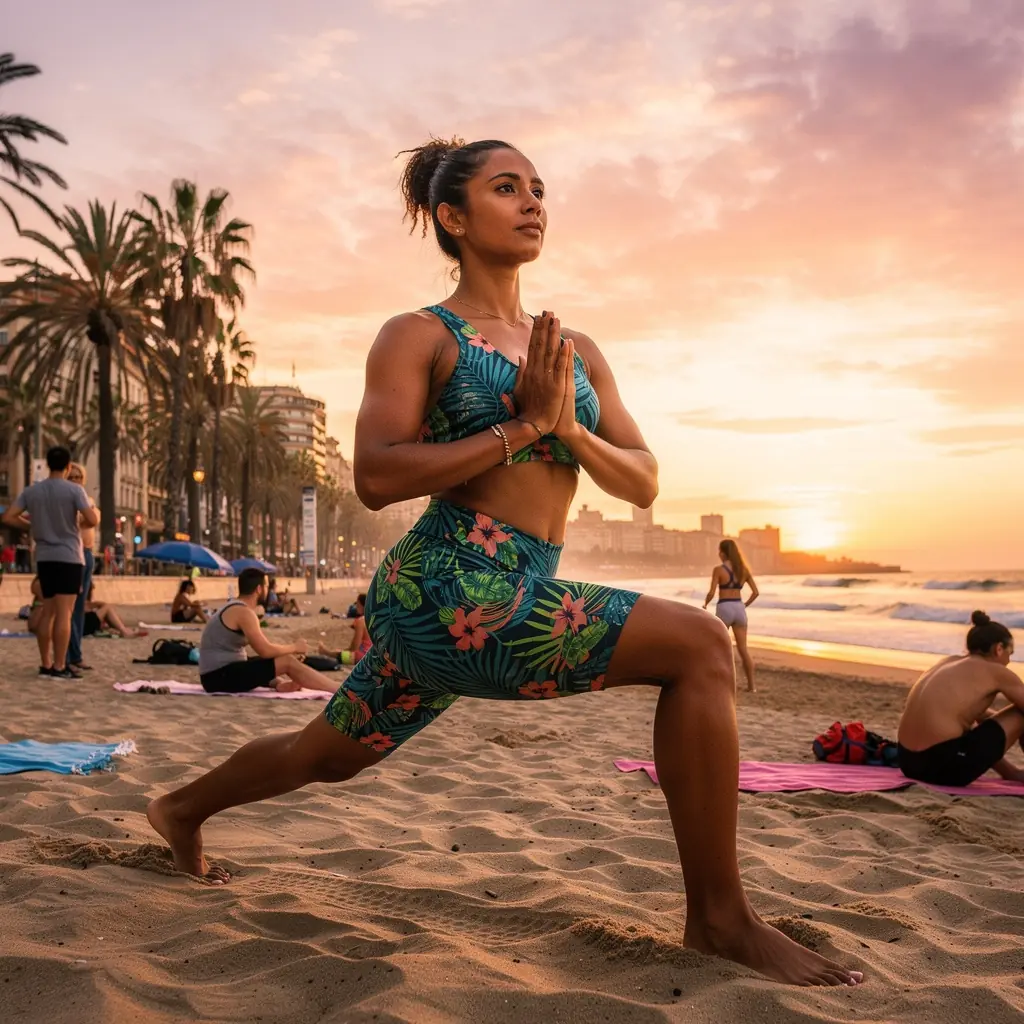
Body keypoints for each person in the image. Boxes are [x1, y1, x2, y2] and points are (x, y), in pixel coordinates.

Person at [145, 138, 862, 987]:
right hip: (445, 586)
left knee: (328, 754)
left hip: (517, 584)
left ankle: (178, 809)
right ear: (452, 217)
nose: (533, 203)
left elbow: (643, 480)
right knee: (701, 647)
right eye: (506, 188)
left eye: (539, 189)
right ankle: (719, 918)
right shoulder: (418, 335)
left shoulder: (576, 349)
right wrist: (520, 428)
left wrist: (567, 427)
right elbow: (375, 475)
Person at [2, 446, 98, 679]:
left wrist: (32, 526)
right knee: (64, 614)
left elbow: (8, 516)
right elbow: (93, 519)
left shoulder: (33, 491)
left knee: (48, 611)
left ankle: (45, 663)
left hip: (44, 557)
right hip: (69, 557)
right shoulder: (74, 491)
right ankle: (59, 665)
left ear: (47, 464)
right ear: (67, 467)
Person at [898, 611, 1024, 787]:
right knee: (1020, 713)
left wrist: (998, 719)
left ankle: (1011, 773)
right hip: (943, 768)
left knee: (968, 723)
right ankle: (1012, 773)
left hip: (907, 762)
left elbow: (968, 714)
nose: (1009, 661)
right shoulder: (997, 671)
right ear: (999, 649)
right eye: (1010, 653)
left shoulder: (946, 663)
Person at [196, 567, 337, 695]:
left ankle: (279, 684)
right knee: (287, 661)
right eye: (266, 586)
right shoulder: (243, 612)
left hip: (219, 674)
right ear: (258, 589)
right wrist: (294, 647)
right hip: (218, 677)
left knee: (273, 660)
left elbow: (264, 654)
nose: (267, 590)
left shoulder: (236, 607)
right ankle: (339, 689)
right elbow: (265, 650)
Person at [703, 539, 760, 692]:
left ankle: (717, 682)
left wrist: (705, 604)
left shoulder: (719, 570)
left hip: (725, 606)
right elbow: (755, 592)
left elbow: (711, 592)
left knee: (717, 646)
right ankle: (752, 687)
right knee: (743, 649)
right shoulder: (744, 570)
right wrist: (744, 605)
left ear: (722, 553)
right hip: (739, 608)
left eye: (719, 551)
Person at [66, 463, 98, 671]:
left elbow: (91, 521)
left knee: (79, 608)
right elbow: (80, 521)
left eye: (79, 477)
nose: (76, 480)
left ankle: (76, 654)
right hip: (72, 555)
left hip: (87, 554)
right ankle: (69, 655)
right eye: (72, 477)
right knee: (68, 608)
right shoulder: (67, 501)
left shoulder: (88, 500)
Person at [319, 593, 371, 665]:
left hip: (363, 657)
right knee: (340, 651)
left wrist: (343, 651)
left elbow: (354, 647)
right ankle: (328, 652)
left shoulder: (361, 621)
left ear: (360, 605)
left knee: (343, 654)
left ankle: (326, 652)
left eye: (357, 604)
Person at [81, 583, 148, 639]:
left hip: (80, 624)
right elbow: (86, 607)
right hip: (83, 625)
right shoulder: (83, 599)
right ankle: (124, 631)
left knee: (106, 608)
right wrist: (96, 604)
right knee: (107, 607)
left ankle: (122, 629)